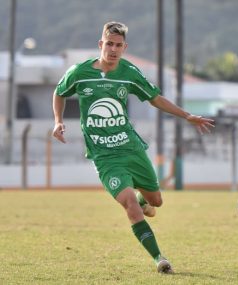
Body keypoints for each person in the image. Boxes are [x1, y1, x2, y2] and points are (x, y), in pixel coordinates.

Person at [52, 21, 214, 274]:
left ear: (124, 47)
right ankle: (160, 259)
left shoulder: (129, 73)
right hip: (104, 156)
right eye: (109, 44)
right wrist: (58, 121)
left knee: (156, 202)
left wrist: (187, 115)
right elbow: (59, 92)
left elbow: (155, 98)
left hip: (131, 149)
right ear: (100, 44)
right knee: (130, 205)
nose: (113, 50)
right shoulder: (79, 72)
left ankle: (144, 200)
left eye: (118, 45)